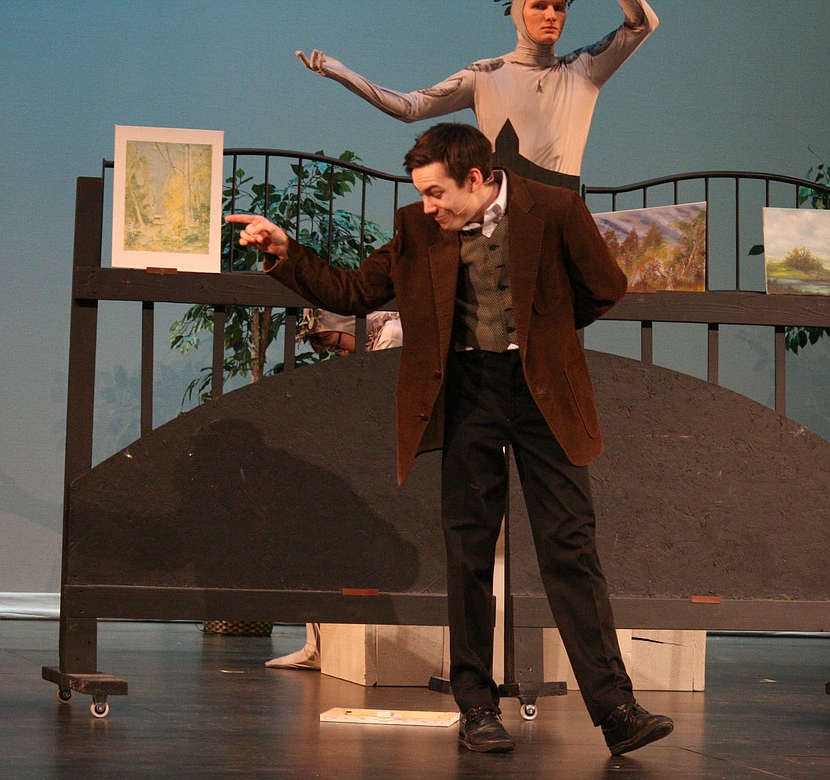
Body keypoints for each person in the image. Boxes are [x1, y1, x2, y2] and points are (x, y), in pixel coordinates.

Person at [227, 123, 673, 755]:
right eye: (423, 195)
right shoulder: (416, 230)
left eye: (437, 194)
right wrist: (286, 249)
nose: (427, 207)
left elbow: (605, 287)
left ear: (475, 178)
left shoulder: (552, 208)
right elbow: (353, 291)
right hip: (466, 393)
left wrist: (543, 331)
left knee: (569, 545)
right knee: (468, 553)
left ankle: (616, 708)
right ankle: (477, 707)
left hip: (543, 391)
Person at [296, 0, 658, 188]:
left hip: (560, 212)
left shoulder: (582, 69)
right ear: (518, 12)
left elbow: (643, 23)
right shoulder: (486, 74)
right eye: (539, 5)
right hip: (499, 215)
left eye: (559, 7)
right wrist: (344, 75)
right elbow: (411, 106)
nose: (551, 15)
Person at [266, 308, 403, 670]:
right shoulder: (373, 341)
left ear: (347, 326)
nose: (339, 355)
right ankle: (315, 644)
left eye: (336, 344)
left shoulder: (393, 333)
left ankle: (317, 646)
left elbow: (378, 403)